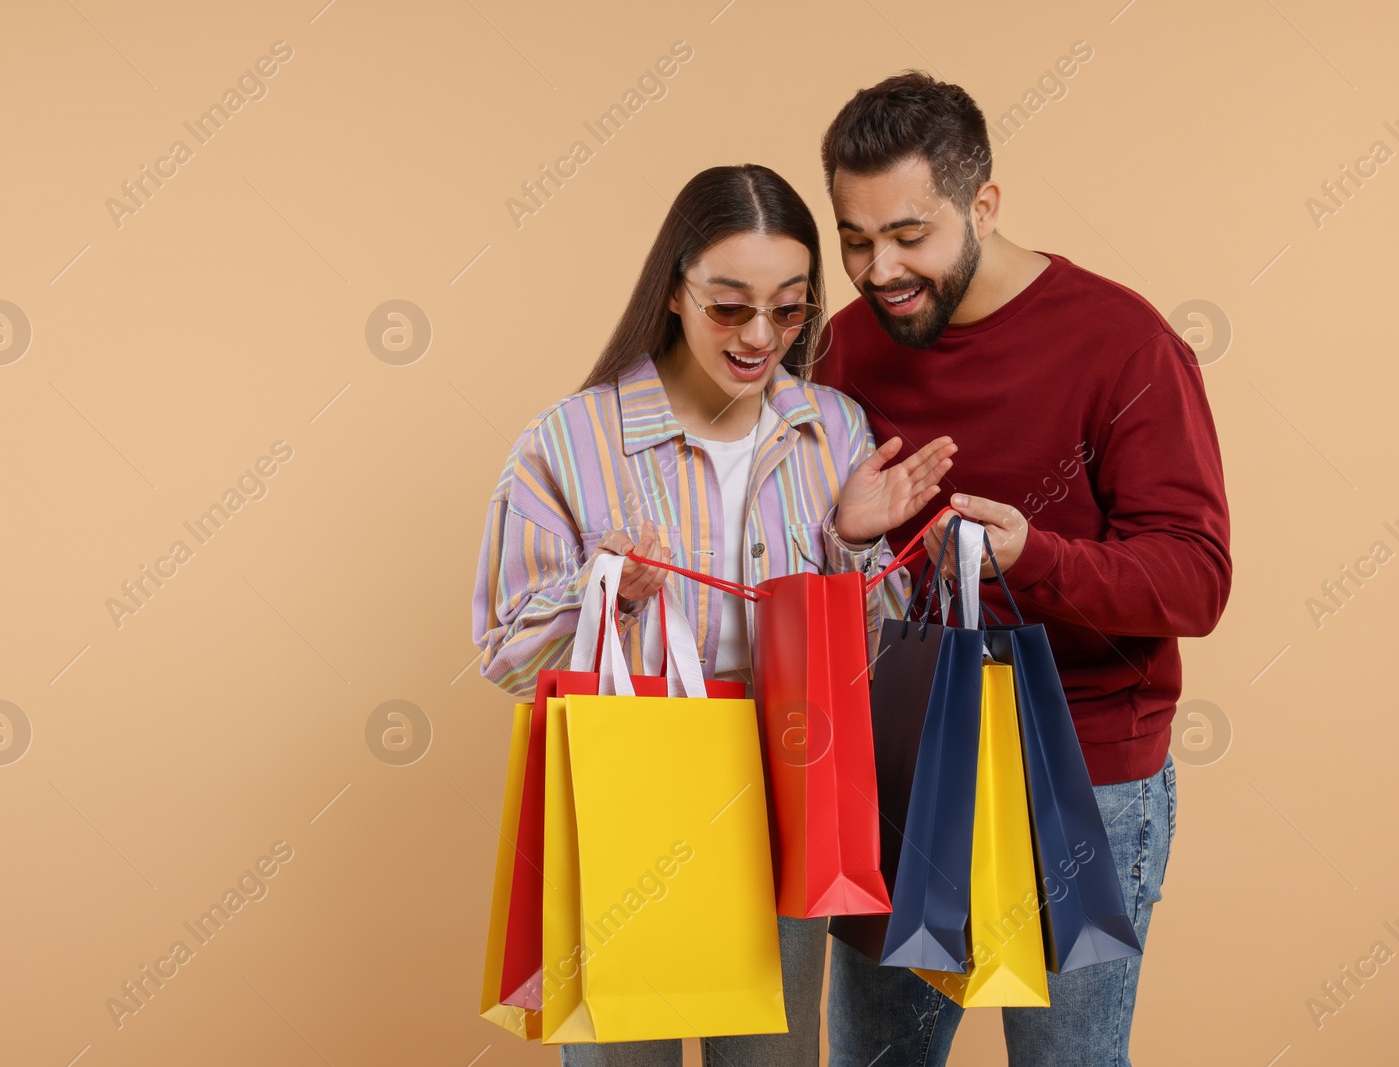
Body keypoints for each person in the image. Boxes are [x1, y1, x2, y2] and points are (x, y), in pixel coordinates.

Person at [472, 163, 956, 1067]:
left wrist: (854, 543)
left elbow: (875, 661)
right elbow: (503, 652)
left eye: (789, 308)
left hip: (792, 786)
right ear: (673, 292)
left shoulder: (834, 430)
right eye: (730, 307)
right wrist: (599, 596)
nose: (761, 335)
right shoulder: (571, 441)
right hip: (630, 789)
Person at [813, 72, 1232, 1066]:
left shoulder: (1123, 344)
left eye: (908, 234)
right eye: (855, 238)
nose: (879, 268)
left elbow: (1195, 578)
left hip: (1083, 774)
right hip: (907, 768)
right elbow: (816, 553)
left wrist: (1030, 558)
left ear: (984, 204)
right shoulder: (845, 346)